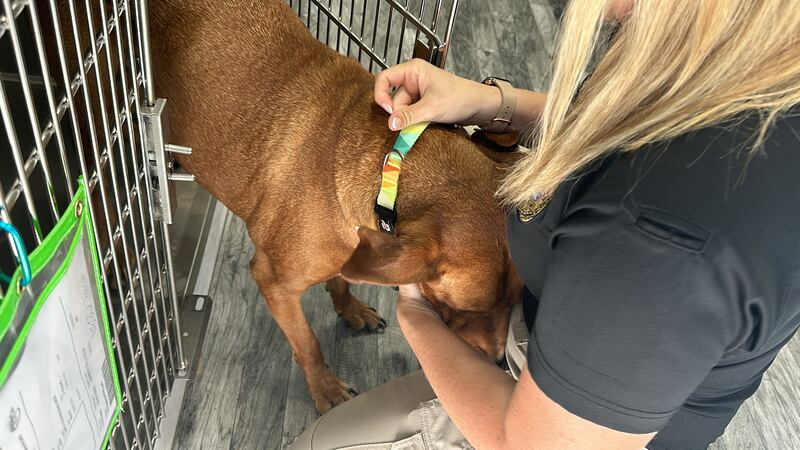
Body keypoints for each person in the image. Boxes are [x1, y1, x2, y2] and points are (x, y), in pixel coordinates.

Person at [292, 0, 800, 448]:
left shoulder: (658, 242)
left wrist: (417, 314)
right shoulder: (737, 66)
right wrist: (494, 104)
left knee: (315, 443)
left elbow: (523, 443)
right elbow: (613, 130)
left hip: (576, 425)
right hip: (596, 346)